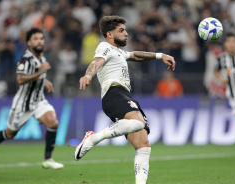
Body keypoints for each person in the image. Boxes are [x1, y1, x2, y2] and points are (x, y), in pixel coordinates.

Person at [74, 15, 176, 184]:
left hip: (124, 95)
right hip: (114, 93)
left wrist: (160, 55)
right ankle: (93, 138)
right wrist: (87, 75)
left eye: (125, 30)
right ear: (109, 34)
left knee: (143, 144)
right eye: (121, 31)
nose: (126, 34)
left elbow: (135, 55)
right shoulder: (104, 47)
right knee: (139, 123)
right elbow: (95, 62)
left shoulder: (118, 52)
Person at [0, 28, 64, 169]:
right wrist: (40, 73)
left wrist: (44, 80)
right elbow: (20, 79)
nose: (39, 41)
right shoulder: (26, 59)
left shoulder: (41, 58)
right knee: (10, 133)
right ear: (29, 43)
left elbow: (37, 75)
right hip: (22, 105)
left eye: (41, 38)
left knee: (53, 122)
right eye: (35, 39)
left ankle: (48, 158)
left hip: (38, 100)